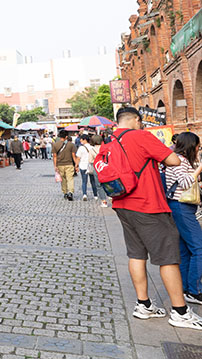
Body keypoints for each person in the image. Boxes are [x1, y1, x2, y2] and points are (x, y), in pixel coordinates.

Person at [110, 107, 201, 330]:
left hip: (122, 203)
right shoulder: (141, 135)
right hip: (148, 205)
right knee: (168, 257)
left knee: (136, 254)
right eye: (140, 122)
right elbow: (173, 160)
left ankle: (144, 305)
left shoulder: (110, 140)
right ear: (136, 120)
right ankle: (180, 312)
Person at [163, 132, 202, 305]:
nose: (198, 149)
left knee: (186, 251)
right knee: (199, 248)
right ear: (191, 146)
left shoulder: (180, 160)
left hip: (180, 207)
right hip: (181, 207)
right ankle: (194, 290)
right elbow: (185, 183)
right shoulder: (178, 160)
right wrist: (199, 168)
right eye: (197, 146)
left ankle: (187, 288)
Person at [74, 134, 106, 205]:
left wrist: (76, 165)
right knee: (93, 181)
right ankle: (95, 195)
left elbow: (78, 158)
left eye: (81, 139)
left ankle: (84, 194)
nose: (80, 140)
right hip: (93, 167)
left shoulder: (81, 148)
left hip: (83, 166)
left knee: (84, 181)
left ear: (85, 140)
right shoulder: (92, 147)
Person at [53, 131, 77, 201]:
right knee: (70, 179)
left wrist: (55, 166)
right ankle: (70, 192)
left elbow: (54, 156)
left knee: (63, 179)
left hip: (60, 164)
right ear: (66, 137)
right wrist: (76, 165)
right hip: (69, 164)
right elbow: (73, 156)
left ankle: (65, 192)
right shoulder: (71, 145)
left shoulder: (55, 145)